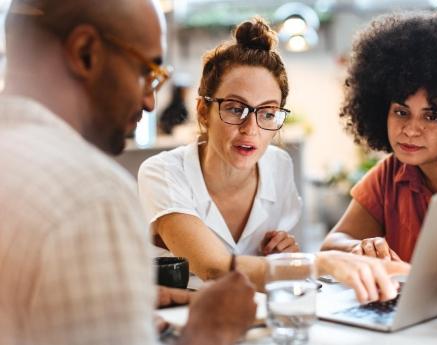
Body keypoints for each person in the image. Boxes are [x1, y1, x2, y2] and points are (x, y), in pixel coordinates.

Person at [0, 1, 256, 345]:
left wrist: (116, 309)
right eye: (147, 72)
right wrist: (208, 332)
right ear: (86, 52)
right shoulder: (92, 197)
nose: (150, 102)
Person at [138, 16, 409, 301]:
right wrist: (319, 263)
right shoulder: (163, 173)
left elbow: (267, 272)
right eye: (234, 108)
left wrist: (282, 256)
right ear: (203, 111)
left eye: (267, 113)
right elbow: (212, 267)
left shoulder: (278, 167)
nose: (251, 128)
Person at [321, 10, 437, 263]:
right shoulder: (389, 176)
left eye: (431, 116)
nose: (411, 129)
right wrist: (362, 248)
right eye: (401, 112)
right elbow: (331, 246)